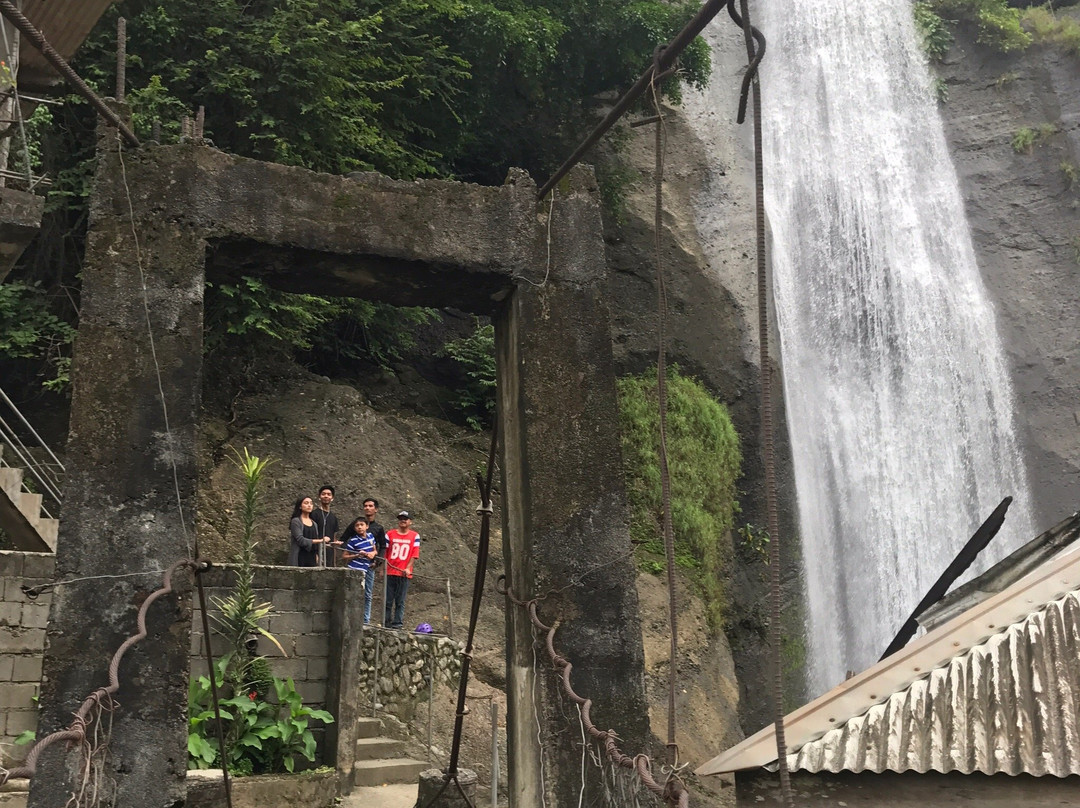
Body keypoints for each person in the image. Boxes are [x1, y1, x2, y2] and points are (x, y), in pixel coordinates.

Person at [384, 511, 420, 629]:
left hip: (404, 573)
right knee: (387, 600)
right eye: (401, 518)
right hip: (390, 570)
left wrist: (408, 567)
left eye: (406, 519)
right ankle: (386, 622)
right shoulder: (390, 534)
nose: (403, 521)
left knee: (400, 601)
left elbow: (414, 554)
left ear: (410, 521)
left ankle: (397, 623)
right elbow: (385, 551)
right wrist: (382, 568)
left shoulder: (415, 536)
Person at [362, 498, 388, 624]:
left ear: (376, 509)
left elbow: (383, 546)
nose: (367, 508)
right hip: (356, 563)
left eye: (370, 506)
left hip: (369, 565)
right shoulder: (357, 524)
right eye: (365, 506)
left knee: (367, 594)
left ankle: (365, 620)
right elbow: (346, 539)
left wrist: (377, 562)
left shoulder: (378, 528)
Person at [288, 496, 331, 567]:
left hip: (312, 558)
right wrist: (321, 540)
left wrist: (318, 555)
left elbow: (316, 544)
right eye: (306, 503)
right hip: (299, 557)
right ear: (300, 506)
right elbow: (301, 540)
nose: (309, 505)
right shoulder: (296, 521)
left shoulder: (314, 523)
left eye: (311, 503)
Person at [311, 485, 340, 567]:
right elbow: (311, 535)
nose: (326, 496)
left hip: (329, 554)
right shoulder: (314, 514)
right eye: (323, 494)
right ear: (319, 497)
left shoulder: (333, 517)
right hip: (316, 553)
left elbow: (334, 538)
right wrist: (315, 555)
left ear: (332, 498)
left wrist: (334, 562)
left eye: (329, 494)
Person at [342, 516, 377, 581]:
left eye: (362, 525)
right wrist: (357, 555)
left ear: (367, 526)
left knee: (368, 590)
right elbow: (344, 556)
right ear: (355, 528)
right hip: (356, 568)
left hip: (368, 567)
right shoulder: (353, 540)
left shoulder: (370, 536)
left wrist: (372, 553)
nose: (359, 527)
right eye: (357, 525)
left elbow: (375, 550)